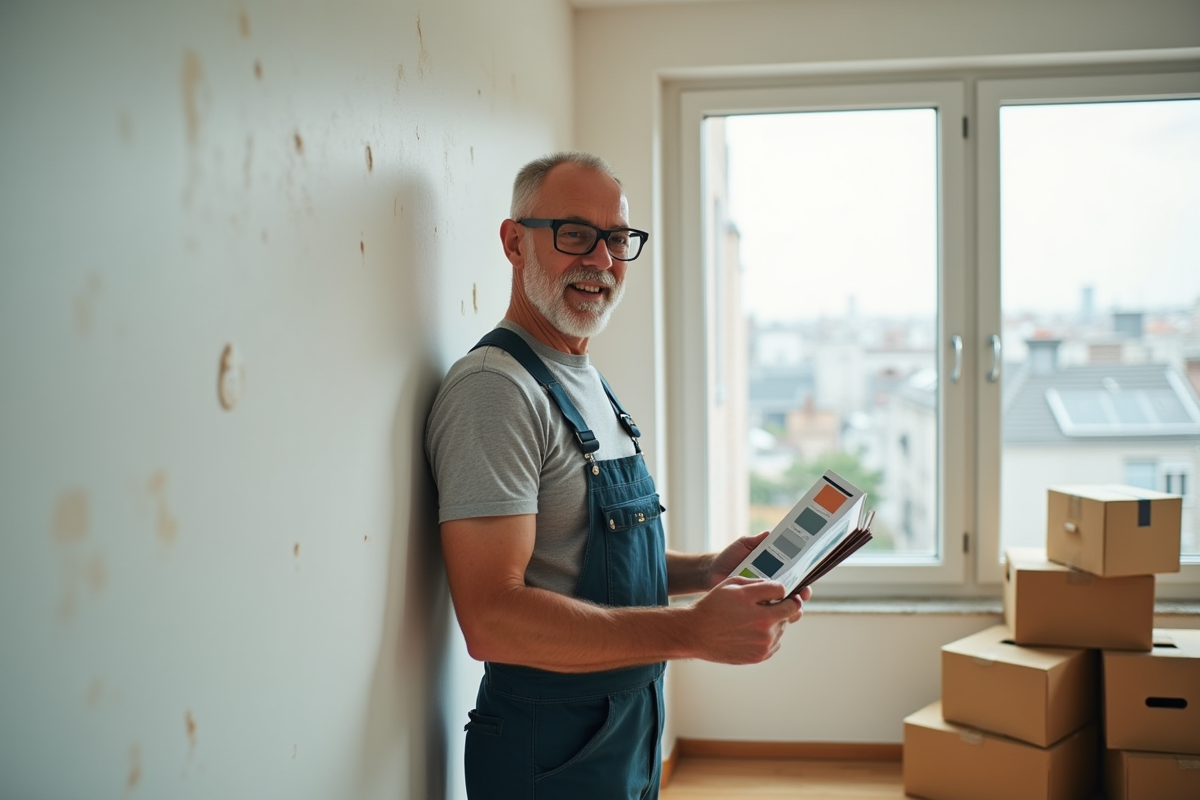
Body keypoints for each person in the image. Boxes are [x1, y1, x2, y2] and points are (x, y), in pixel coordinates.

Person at [425, 151, 811, 800]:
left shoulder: (583, 378)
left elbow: (573, 551)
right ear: (515, 242)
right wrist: (691, 631)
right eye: (575, 234)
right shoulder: (496, 390)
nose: (602, 260)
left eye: (617, 238)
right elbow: (491, 617)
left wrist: (705, 570)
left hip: (625, 731)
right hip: (549, 752)